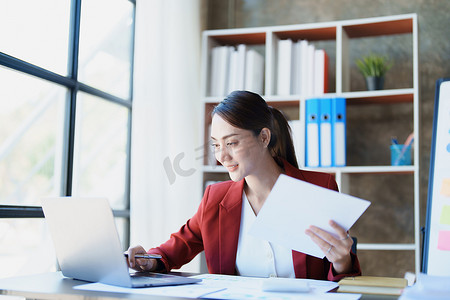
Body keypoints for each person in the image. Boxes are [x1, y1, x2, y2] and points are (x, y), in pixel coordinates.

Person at [127, 90, 361, 281]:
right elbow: (171, 252)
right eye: (216, 145)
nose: (222, 156)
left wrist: (342, 262)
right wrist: (147, 259)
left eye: (232, 143)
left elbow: (342, 279)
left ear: (264, 138)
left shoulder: (319, 188)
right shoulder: (215, 199)